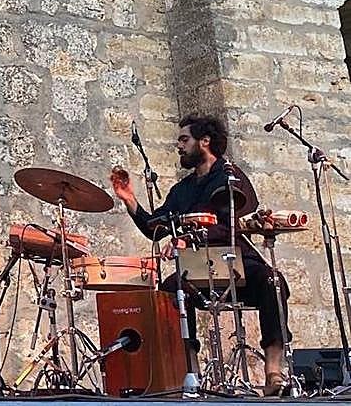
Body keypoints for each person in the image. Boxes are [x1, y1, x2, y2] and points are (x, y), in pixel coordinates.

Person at [110, 114, 290, 396]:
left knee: (273, 281)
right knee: (170, 290)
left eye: (184, 139)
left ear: (204, 141)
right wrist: (129, 199)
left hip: (235, 260)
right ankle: (189, 373)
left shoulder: (230, 175)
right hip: (198, 267)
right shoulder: (182, 190)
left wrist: (187, 237)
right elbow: (154, 229)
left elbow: (235, 222)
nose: (179, 146)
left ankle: (273, 372)